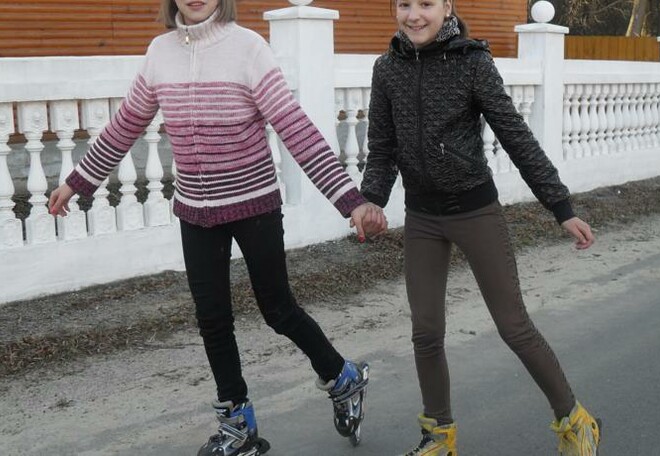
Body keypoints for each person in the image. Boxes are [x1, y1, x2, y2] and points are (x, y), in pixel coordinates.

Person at [48, 0, 387, 454]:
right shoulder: (159, 52)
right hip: (195, 210)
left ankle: (341, 376)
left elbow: (296, 130)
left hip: (254, 205)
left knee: (278, 309)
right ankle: (238, 423)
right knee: (212, 319)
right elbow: (124, 125)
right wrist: (77, 182)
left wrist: (351, 201)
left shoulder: (249, 50)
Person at [360, 1, 601, 455]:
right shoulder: (386, 68)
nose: (414, 15)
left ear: (446, 6)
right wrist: (371, 198)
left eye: (425, 4)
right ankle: (439, 436)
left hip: (475, 212)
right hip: (423, 219)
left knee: (514, 326)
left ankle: (576, 421)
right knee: (426, 332)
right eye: (404, 4)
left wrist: (560, 206)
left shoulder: (472, 61)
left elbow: (515, 135)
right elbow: (382, 145)